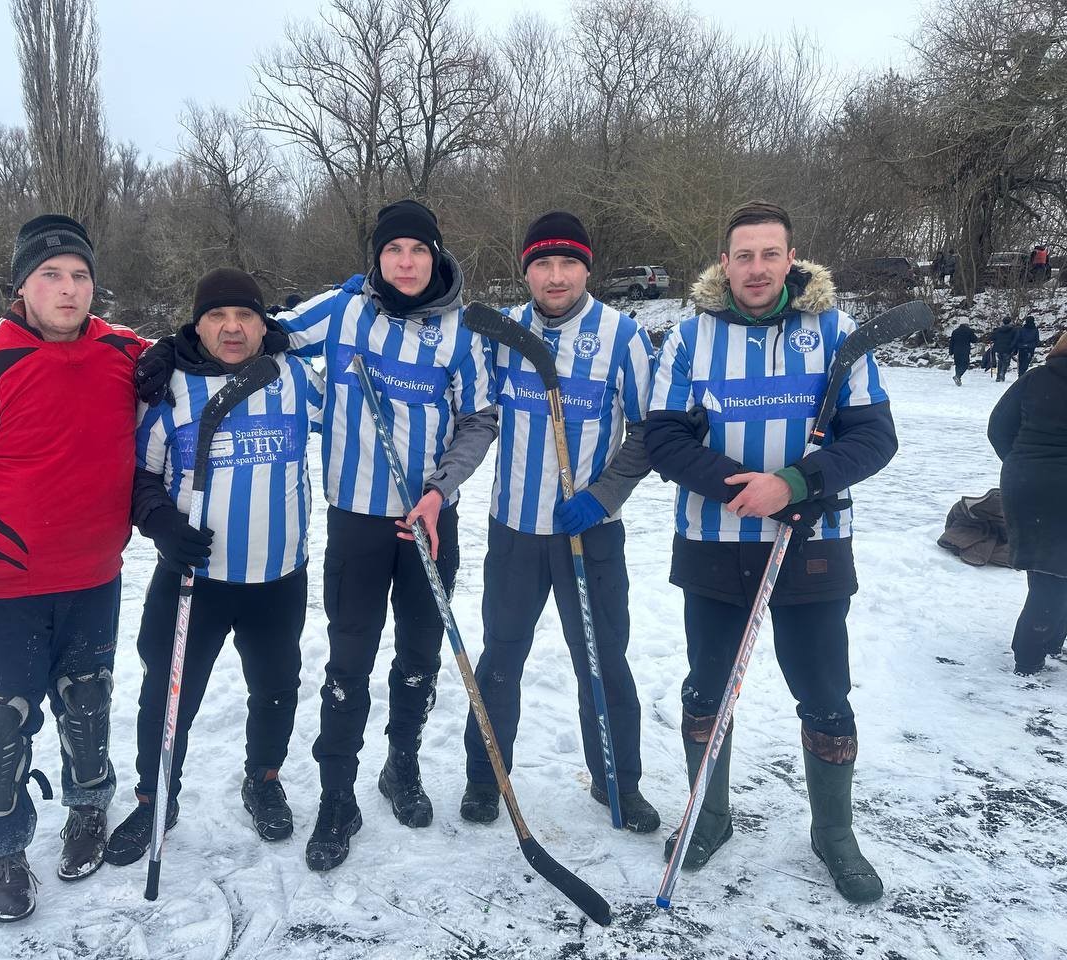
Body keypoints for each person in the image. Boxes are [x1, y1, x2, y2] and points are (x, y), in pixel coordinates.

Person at [645, 200, 898, 904]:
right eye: (742, 255)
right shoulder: (689, 340)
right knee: (707, 690)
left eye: (769, 254)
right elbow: (662, 437)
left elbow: (873, 438)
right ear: (722, 264)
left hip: (812, 543)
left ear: (791, 260)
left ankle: (834, 832)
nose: (756, 268)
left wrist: (792, 482)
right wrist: (738, 488)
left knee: (823, 694)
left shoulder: (837, 333)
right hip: (714, 542)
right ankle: (710, 815)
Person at [0, 214, 148, 922]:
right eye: (51, 275)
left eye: (80, 276)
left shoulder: (129, 353)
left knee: (88, 699)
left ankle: (88, 810)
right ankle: (2, 847)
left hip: (94, 576)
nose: (68, 289)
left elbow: (206, 353)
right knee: (1, 722)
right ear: (22, 284)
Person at [246, 199, 494, 871]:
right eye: (392, 251)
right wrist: (196, 343)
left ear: (435, 255)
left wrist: (440, 491)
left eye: (417, 250)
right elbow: (265, 336)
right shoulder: (343, 310)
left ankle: (401, 765)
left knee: (419, 654)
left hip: (430, 520)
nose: (405, 262)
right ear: (376, 259)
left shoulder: (462, 333)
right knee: (347, 663)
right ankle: (337, 796)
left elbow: (478, 420)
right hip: (356, 518)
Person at [102, 268, 323, 867]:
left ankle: (264, 778)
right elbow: (141, 473)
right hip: (192, 579)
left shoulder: (296, 379)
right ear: (196, 325)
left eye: (246, 316)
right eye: (217, 317)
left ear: (263, 323)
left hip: (277, 575)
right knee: (169, 693)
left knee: (276, 688)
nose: (232, 328)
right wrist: (161, 524)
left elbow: (345, 375)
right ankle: (155, 797)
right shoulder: (169, 386)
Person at [458, 211, 660, 833]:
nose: (554, 275)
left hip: (589, 531)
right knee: (500, 658)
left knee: (601, 660)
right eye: (541, 263)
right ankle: (484, 779)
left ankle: (616, 781)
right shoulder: (502, 331)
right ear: (526, 271)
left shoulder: (622, 336)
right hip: (514, 531)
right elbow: (477, 412)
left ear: (586, 268)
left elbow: (651, 432)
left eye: (567, 262)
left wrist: (603, 496)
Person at [987, 332, 1067, 674]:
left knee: (1047, 569)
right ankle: (1031, 653)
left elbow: (997, 428)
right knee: (1056, 574)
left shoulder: (1035, 378)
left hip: (1026, 484)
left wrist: (1022, 464)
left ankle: (1048, 641)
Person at [992, 317, 1018, 382]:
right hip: (1008, 349)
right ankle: (1002, 374)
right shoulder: (1013, 330)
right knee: (1005, 363)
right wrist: (1013, 347)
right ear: (1010, 322)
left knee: (1000, 362)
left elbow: (993, 337)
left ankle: (998, 376)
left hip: (999, 348)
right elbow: (1015, 339)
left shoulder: (998, 330)